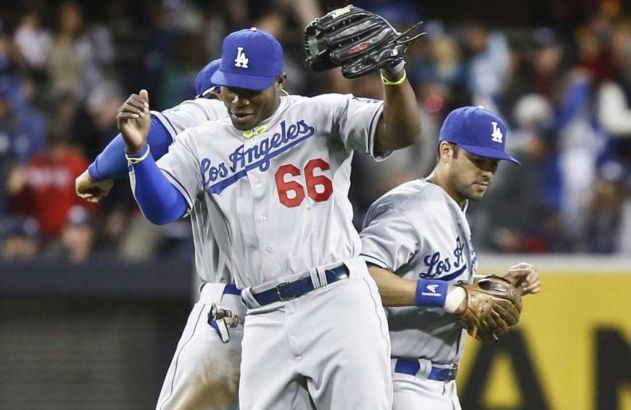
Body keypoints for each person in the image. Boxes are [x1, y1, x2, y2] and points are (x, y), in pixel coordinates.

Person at [117, 27, 420, 409]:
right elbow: (162, 208)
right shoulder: (201, 142)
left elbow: (402, 131)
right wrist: (138, 154)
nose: (239, 101)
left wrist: (394, 73)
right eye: (232, 88)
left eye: (251, 89)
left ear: (280, 81)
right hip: (261, 316)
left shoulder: (322, 113)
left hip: (336, 302)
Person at [76, 59, 245, 409]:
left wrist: (94, 173)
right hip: (308, 302)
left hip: (237, 305)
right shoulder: (295, 117)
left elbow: (150, 132)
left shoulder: (213, 112)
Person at [359, 106, 542, 410]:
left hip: (437, 386)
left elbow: (441, 285)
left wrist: (492, 287)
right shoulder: (410, 207)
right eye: (477, 160)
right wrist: (447, 294)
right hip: (399, 381)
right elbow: (362, 278)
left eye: (493, 164)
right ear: (446, 151)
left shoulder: (452, 210)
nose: (486, 172)